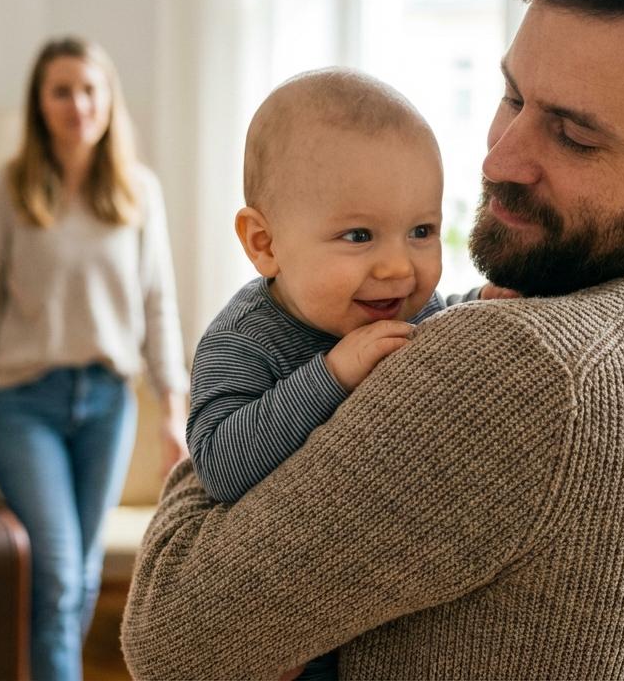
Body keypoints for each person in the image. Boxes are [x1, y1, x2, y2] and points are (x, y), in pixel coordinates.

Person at [120, 0, 624, 678]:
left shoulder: (524, 367)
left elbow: (169, 637)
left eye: (574, 135)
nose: (500, 155)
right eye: (511, 95)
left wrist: (282, 323)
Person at [188, 68, 490, 680]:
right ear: (265, 243)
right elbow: (218, 465)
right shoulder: (243, 340)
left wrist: (480, 308)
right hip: (279, 627)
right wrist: (330, 375)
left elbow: (442, 331)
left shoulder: (410, 307)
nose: (397, 267)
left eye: (421, 232)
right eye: (358, 235)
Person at [0, 37, 188, 681]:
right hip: (23, 407)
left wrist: (174, 410)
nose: (77, 104)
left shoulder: (138, 193)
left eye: (89, 89)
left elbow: (158, 304)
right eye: (61, 91)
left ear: (108, 100)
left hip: (108, 405)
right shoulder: (5, 194)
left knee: (76, 577)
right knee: (55, 571)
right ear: (39, 103)